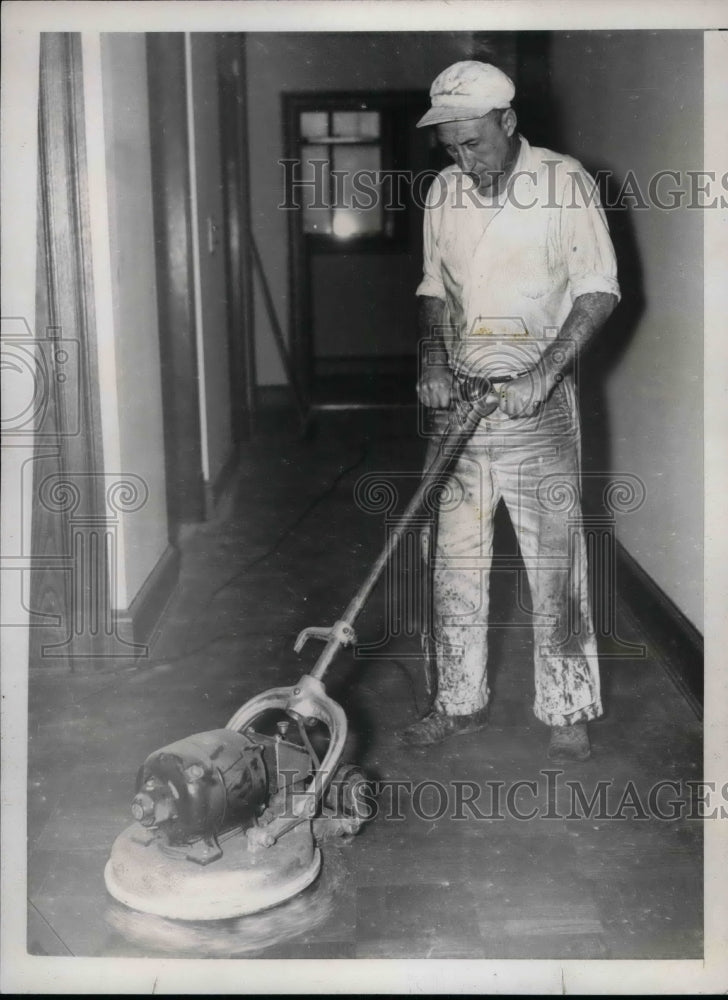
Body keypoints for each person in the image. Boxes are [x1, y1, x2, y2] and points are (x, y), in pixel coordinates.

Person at [401, 61, 620, 762]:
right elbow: (436, 291)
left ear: (509, 123)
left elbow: (598, 292)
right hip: (461, 404)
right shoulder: (443, 194)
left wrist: (543, 373)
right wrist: (433, 361)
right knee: (453, 562)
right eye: (452, 148)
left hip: (539, 407)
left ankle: (566, 706)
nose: (465, 161)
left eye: (475, 142)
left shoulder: (565, 184)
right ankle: (456, 701)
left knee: (553, 560)